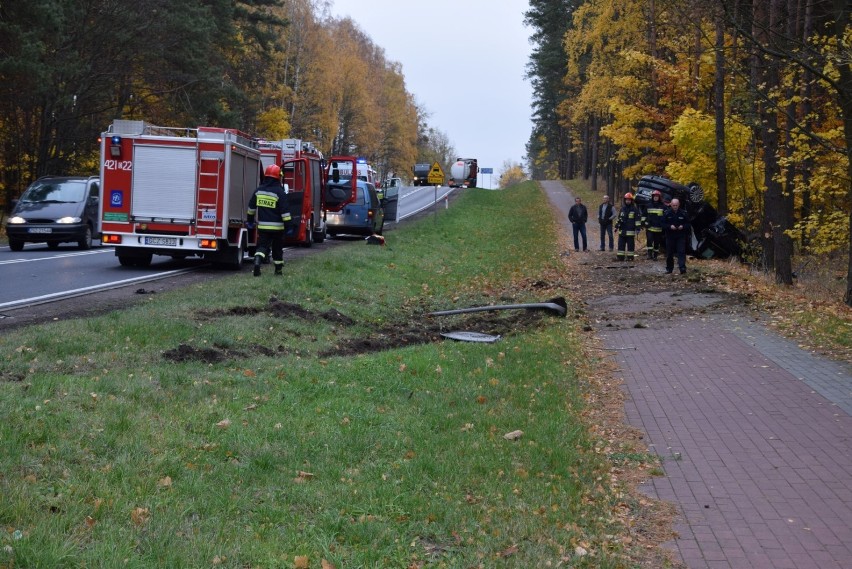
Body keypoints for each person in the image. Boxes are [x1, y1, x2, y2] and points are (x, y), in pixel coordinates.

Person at [247, 164, 292, 277]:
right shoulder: (279, 192)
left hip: (263, 227)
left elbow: (251, 208)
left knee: (262, 246)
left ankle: (257, 259)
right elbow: (285, 212)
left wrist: (250, 221)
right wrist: (289, 226)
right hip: (278, 228)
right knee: (277, 249)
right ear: (278, 177)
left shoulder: (258, 191)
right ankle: (278, 271)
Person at [662, 198, 691, 274]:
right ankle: (669, 269)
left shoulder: (683, 213)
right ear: (671, 205)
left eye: (676, 205)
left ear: (679, 205)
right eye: (673, 205)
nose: (675, 207)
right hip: (670, 236)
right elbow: (662, 224)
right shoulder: (666, 213)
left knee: (681, 252)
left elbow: (688, 224)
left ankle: (682, 268)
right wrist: (669, 226)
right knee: (669, 253)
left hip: (680, 236)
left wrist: (683, 226)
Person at [615, 192, 641, 261]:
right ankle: (620, 257)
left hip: (630, 232)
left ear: (631, 200)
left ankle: (630, 257)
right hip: (622, 231)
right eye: (627, 200)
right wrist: (616, 226)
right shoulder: (622, 209)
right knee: (621, 245)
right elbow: (619, 218)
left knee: (630, 246)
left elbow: (637, 220)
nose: (628, 201)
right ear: (625, 200)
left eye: (629, 200)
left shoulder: (634, 209)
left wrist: (638, 228)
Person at [644, 190, 666, 259]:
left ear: (659, 197)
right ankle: (649, 254)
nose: (656, 198)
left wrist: (663, 225)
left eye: (657, 196)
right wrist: (645, 223)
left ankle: (655, 255)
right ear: (652, 197)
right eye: (654, 196)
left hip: (658, 228)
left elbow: (665, 217)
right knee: (649, 240)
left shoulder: (663, 206)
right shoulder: (648, 205)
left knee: (657, 242)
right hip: (650, 227)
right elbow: (643, 215)